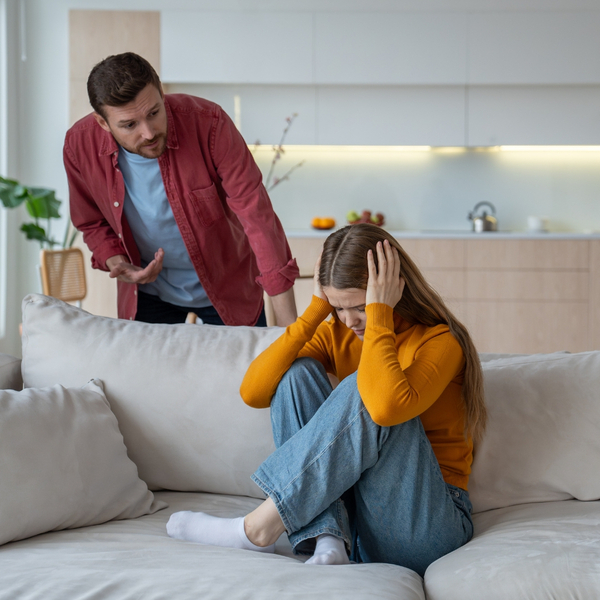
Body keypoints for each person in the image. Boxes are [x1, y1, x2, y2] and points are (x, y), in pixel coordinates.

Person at [166, 223, 486, 575]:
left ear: (392, 290)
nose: (349, 320)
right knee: (296, 373)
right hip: (360, 520)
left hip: (429, 526)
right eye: (338, 307)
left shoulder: (440, 342)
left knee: (364, 387)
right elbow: (253, 391)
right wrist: (316, 311)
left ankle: (258, 528)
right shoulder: (337, 329)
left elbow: (384, 406)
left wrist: (379, 315)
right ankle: (328, 538)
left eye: (360, 306)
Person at [63, 52, 299, 326]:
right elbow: (91, 221)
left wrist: (289, 329)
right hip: (148, 295)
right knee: (150, 370)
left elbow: (256, 215)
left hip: (228, 287)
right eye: (130, 125)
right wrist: (118, 263)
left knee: (247, 370)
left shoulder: (209, 123)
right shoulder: (79, 145)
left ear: (161, 93)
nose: (149, 132)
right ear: (103, 123)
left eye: (154, 113)